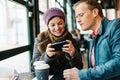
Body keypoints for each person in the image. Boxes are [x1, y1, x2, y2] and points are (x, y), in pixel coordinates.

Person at [63, 0, 120, 80]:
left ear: (95, 12)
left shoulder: (115, 26)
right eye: (76, 17)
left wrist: (82, 74)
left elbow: (118, 62)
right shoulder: (93, 39)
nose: (78, 20)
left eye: (81, 15)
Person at [31, 7, 83, 80]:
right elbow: (33, 67)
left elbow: (79, 67)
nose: (57, 28)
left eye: (60, 23)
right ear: (48, 26)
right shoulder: (40, 40)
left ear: (64, 23)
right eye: (52, 25)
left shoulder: (72, 41)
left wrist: (73, 54)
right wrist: (47, 56)